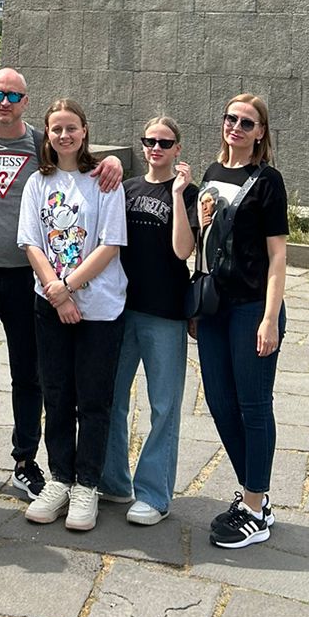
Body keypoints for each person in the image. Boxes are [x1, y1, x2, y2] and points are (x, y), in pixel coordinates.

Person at [0, 68, 123, 502]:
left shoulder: (41, 143)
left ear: (25, 101)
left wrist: (111, 160)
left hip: (30, 278)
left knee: (31, 375)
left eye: (14, 95)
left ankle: (25, 459)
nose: (5, 102)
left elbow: (78, 159)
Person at [18, 99, 127, 532]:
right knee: (57, 395)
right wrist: (56, 294)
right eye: (56, 129)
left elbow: (110, 244)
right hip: (50, 307)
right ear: (47, 135)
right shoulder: (37, 183)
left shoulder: (104, 181)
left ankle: (87, 485)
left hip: (99, 309)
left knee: (94, 399)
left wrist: (70, 288)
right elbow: (31, 243)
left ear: (84, 132)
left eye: (72, 128)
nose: (64, 136)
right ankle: (60, 478)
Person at [195, 93, 288, 550]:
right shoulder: (211, 174)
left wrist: (270, 318)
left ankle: (255, 506)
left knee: (253, 405)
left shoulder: (268, 181)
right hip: (214, 307)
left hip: (252, 307)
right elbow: (205, 244)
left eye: (247, 122)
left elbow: (277, 256)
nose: (236, 127)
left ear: (260, 133)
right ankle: (257, 495)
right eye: (230, 118)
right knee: (218, 400)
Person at [100, 115, 197, 525]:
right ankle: (115, 482)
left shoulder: (191, 194)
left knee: (163, 405)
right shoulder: (126, 189)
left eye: (165, 142)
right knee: (111, 398)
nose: (156, 147)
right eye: (149, 141)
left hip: (166, 313)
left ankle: (155, 494)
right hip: (122, 308)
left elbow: (182, 250)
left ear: (178, 148)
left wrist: (176, 194)